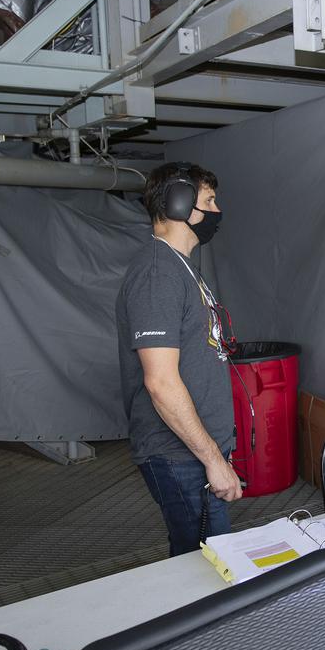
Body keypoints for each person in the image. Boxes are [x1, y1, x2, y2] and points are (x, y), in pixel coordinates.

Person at [115, 162, 242, 557]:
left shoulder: (180, 268)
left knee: (203, 560)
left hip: (192, 454)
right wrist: (212, 461)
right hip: (180, 457)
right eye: (209, 200)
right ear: (179, 204)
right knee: (204, 566)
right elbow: (161, 383)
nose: (217, 210)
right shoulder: (159, 275)